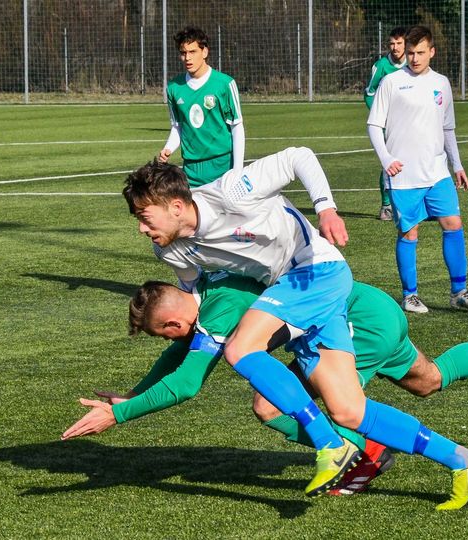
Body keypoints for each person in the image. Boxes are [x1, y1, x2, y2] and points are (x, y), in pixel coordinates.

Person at [63, 272, 468, 509]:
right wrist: (134, 393)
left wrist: (118, 416)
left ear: (173, 322)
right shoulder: (208, 287)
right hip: (371, 307)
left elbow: (187, 382)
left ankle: (446, 459)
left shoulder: (217, 313)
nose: (171, 342)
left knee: (312, 409)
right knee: (430, 379)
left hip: (350, 323)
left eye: (165, 334)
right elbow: (179, 355)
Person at [122, 146, 361, 498]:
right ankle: (435, 460)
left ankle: (331, 445)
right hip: (285, 287)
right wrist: (135, 394)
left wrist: (326, 208)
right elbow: (194, 306)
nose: (142, 229)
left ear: (176, 207)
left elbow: (299, 156)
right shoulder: (170, 249)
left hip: (315, 269)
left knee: (240, 349)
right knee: (351, 410)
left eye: (145, 217)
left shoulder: (232, 192)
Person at [367, 26, 468, 314]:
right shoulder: (391, 82)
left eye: (421, 52)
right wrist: (386, 159)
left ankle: (459, 292)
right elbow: (374, 124)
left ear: (432, 51)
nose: (415, 58)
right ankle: (410, 295)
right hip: (403, 176)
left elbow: (448, 128)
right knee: (409, 234)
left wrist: (457, 164)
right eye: (411, 53)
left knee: (453, 224)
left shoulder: (442, 83)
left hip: (437, 172)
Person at [159, 26, 244, 187]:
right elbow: (178, 126)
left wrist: (237, 170)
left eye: (192, 52)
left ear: (204, 52)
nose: (187, 58)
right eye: (183, 53)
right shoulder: (173, 88)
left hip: (222, 166)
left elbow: (236, 126)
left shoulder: (225, 84)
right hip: (191, 170)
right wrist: (168, 148)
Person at [364, 26, 406, 221]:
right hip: (387, 125)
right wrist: (381, 117)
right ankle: (387, 206)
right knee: (389, 162)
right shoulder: (381, 66)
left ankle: (415, 204)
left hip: (409, 123)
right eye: (392, 43)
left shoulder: (413, 64)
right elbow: (369, 93)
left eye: (399, 43)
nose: (395, 47)